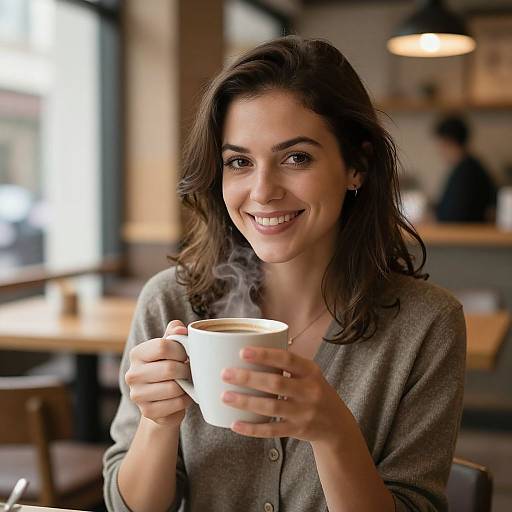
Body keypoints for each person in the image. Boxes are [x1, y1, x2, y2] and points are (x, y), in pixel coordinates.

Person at [103, 36, 466, 512]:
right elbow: (128, 506)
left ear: (356, 165)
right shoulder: (170, 302)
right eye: (239, 162)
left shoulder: (427, 325)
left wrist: (335, 435)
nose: (263, 190)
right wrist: (157, 423)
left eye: (296, 158)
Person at [434, 115, 496, 222]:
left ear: (450, 142)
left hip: (468, 235)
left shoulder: (467, 172)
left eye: (441, 144)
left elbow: (453, 215)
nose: (440, 151)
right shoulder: (467, 167)